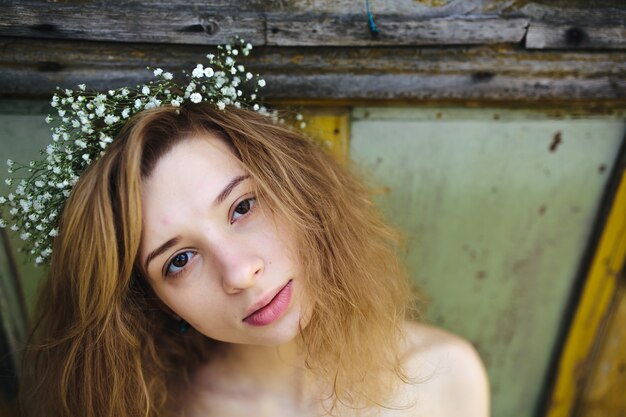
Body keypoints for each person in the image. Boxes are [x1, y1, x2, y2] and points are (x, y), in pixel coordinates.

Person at [6, 42, 489, 417]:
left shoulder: (446, 374)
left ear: (298, 189)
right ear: (150, 302)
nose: (238, 272)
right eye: (179, 260)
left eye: (242, 207)